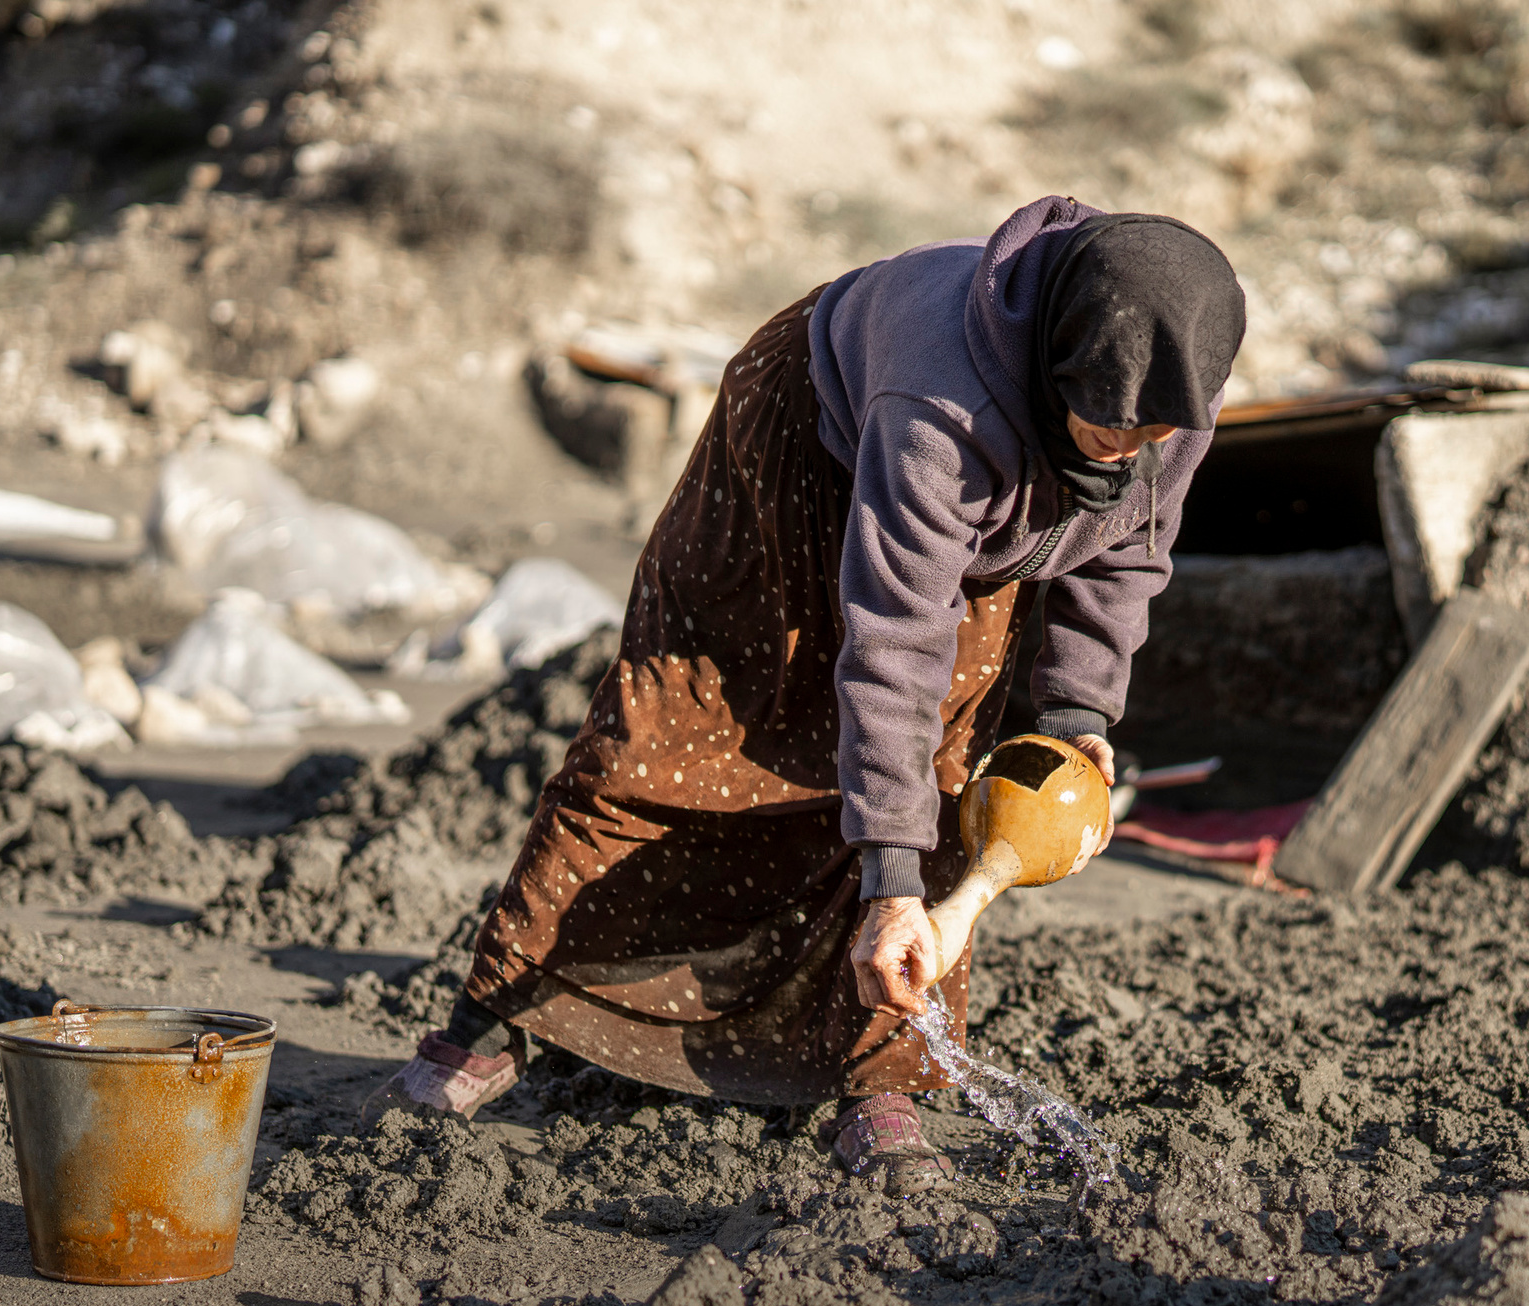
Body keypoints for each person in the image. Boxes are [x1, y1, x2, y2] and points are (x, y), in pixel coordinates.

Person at [364, 195, 1245, 1195]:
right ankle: (493, 1022)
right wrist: (892, 881)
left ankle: (878, 1079)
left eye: (1158, 430)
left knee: (947, 752)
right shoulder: (940, 407)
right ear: (1059, 365)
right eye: (1111, 423)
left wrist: (1078, 713)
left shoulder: (1169, 400)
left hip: (958, 509)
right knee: (687, 724)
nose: (1133, 448)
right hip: (798, 451)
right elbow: (895, 640)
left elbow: (1126, 550)